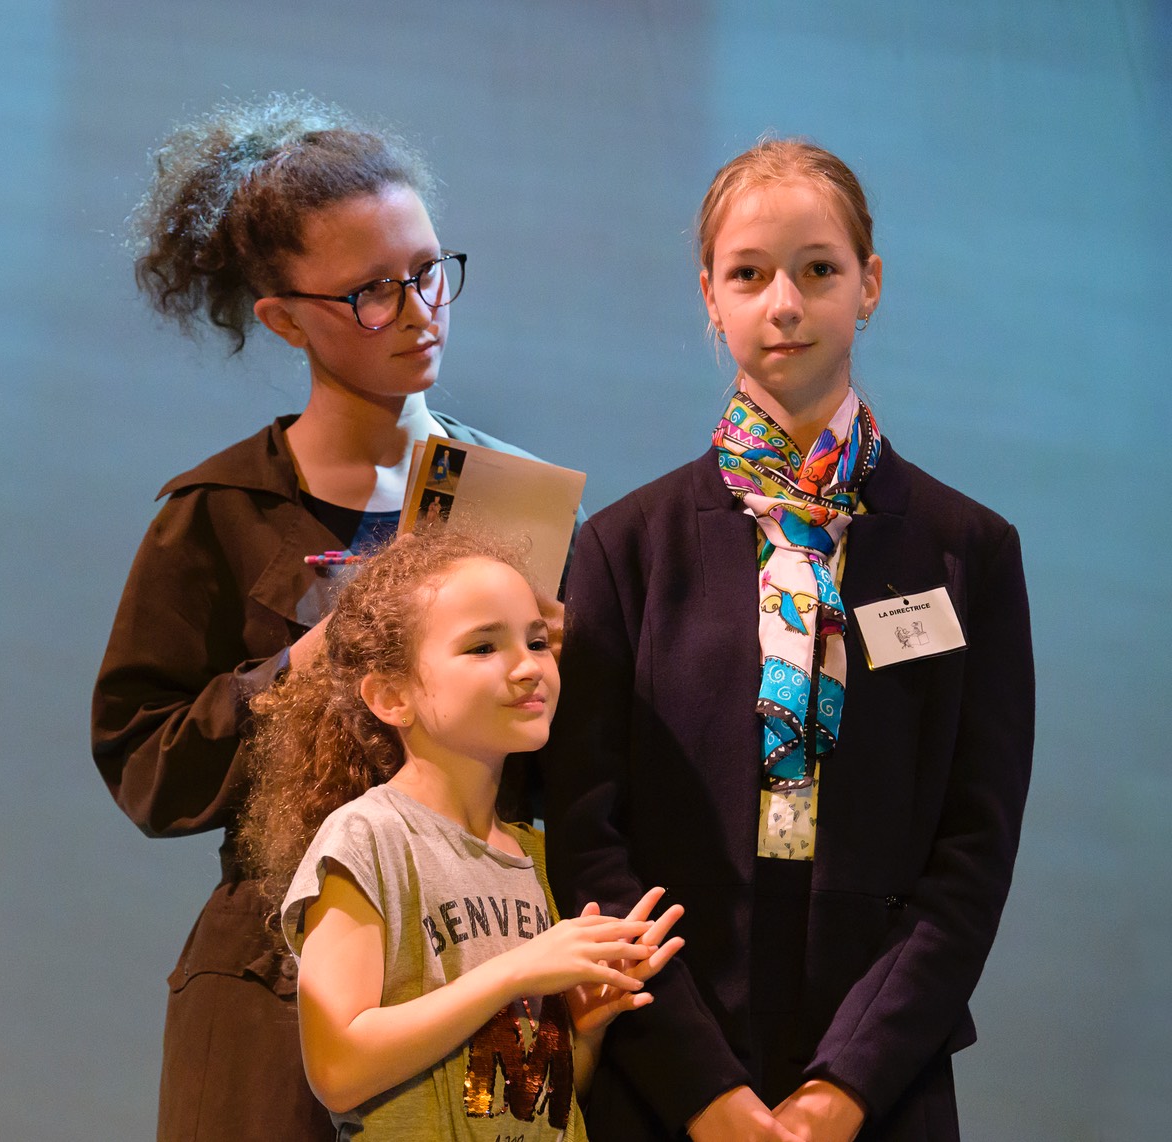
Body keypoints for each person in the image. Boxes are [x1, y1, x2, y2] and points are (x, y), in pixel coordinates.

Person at [91, 94, 570, 1140]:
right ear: (283, 319)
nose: (419, 310)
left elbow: (565, 775)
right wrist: (318, 653)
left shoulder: (514, 500)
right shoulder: (217, 512)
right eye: (370, 293)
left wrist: (543, 665)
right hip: (275, 974)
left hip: (479, 955)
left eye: (428, 271)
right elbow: (147, 769)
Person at [543, 140, 1034, 1141]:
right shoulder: (624, 548)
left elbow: (971, 856)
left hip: (882, 1075)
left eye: (818, 269)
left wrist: (843, 1089)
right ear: (709, 296)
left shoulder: (968, 549)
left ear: (869, 284)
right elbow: (588, 840)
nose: (784, 304)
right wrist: (704, 1092)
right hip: (665, 1064)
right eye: (748, 274)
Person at [241, 528, 682, 1141]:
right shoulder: (368, 839)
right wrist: (517, 972)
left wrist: (583, 1032)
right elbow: (337, 1068)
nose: (528, 667)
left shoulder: (539, 857)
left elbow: (539, 1107)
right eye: (482, 647)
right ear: (390, 696)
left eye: (536, 641)